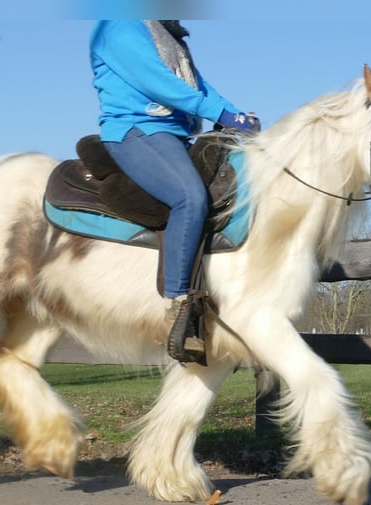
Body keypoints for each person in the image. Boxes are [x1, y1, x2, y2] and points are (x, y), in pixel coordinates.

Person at [90, 20, 260, 362]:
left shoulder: (166, 35)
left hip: (176, 135)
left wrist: (235, 113)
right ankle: (179, 306)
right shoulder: (118, 27)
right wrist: (221, 114)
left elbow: (197, 86)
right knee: (189, 196)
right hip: (137, 130)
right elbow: (159, 83)